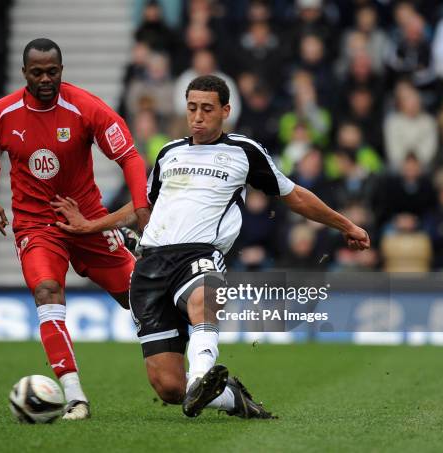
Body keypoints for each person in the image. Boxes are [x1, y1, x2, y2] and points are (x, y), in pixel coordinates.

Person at [52, 75, 370, 419]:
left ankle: (203, 374)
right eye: (192, 108)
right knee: (170, 388)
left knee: (206, 294)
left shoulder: (243, 152)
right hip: (150, 265)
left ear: (225, 111)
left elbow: (295, 196)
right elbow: (143, 207)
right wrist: (91, 225)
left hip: (199, 254)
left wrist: (346, 225)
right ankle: (230, 397)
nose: (198, 117)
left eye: (206, 109)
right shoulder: (169, 153)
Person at [0, 38, 150, 420]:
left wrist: (140, 209)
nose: (44, 79)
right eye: (36, 72)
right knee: (46, 291)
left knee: (142, 300)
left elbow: (131, 158)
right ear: (24, 73)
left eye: (51, 72)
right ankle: (74, 396)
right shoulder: (0, 113)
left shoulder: (86, 108)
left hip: (86, 221)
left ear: (61, 71)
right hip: (36, 225)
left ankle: (193, 371)